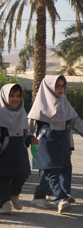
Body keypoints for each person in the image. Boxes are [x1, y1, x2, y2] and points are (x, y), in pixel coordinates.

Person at [28, 75, 77, 214]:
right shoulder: (39, 106)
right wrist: (28, 140)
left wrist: (70, 146)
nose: (61, 89)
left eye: (63, 86)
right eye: (57, 86)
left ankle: (39, 196)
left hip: (61, 143)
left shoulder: (65, 104)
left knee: (59, 168)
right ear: (49, 88)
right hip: (44, 143)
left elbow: (76, 123)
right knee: (50, 171)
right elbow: (28, 128)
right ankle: (60, 199)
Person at [0, 83, 35, 214]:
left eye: (18, 96)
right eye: (11, 96)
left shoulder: (21, 112)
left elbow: (25, 132)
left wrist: (31, 138)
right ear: (5, 96)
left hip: (19, 150)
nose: (15, 99)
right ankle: (4, 202)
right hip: (4, 151)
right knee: (4, 178)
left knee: (23, 174)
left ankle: (14, 194)